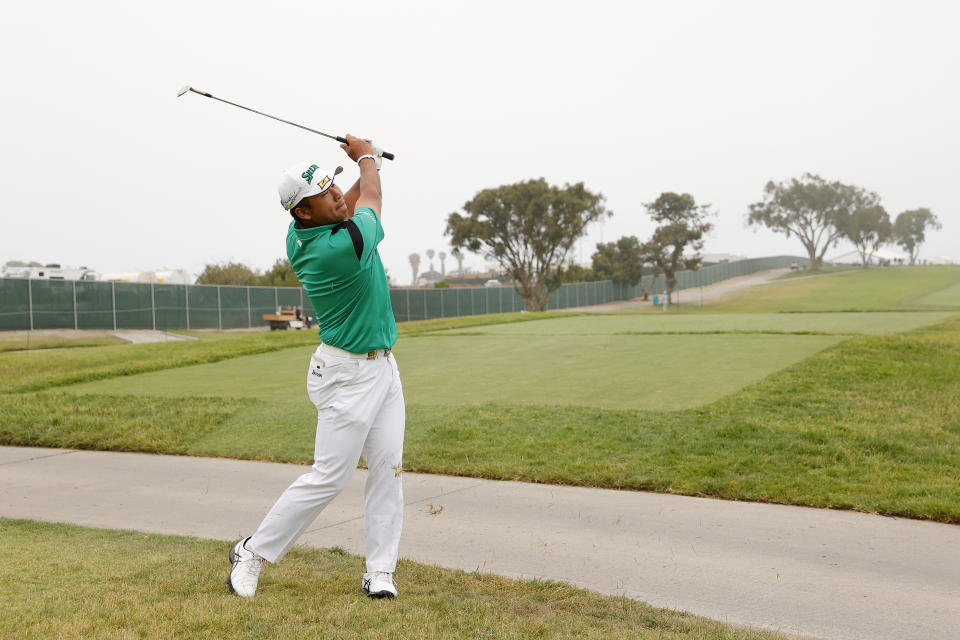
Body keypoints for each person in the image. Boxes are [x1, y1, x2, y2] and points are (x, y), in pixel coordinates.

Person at [227, 135, 404, 599]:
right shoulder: (337, 248)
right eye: (323, 194)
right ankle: (252, 551)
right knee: (329, 477)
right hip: (347, 375)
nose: (335, 196)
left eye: (333, 187)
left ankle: (380, 570)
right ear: (303, 212)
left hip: (383, 368)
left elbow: (346, 201)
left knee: (388, 469)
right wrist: (367, 158)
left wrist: (358, 166)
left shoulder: (305, 228)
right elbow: (370, 197)